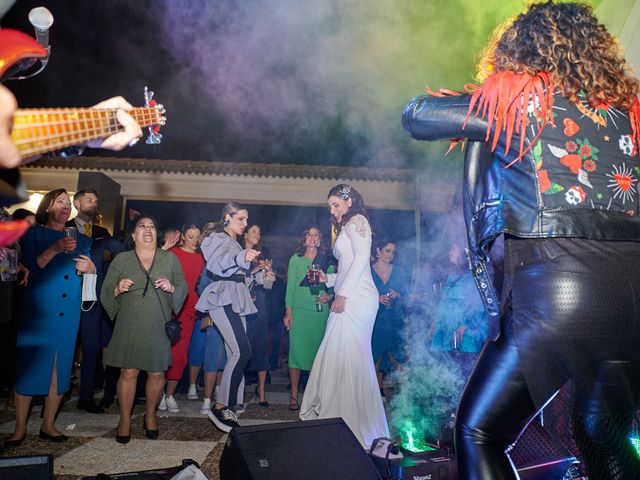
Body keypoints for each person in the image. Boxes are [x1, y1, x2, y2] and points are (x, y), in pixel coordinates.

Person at [402, 2, 640, 478]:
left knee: (479, 431)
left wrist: (490, 97)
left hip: (560, 283)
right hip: (631, 295)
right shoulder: (626, 112)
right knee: (601, 431)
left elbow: (418, 115)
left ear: (522, 47)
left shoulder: (519, 100)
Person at [300, 184, 389, 449]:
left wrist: (343, 295)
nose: (332, 210)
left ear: (349, 201)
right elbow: (351, 267)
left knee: (348, 357)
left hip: (357, 299)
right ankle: (341, 420)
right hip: (351, 293)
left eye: (336, 205)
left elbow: (362, 258)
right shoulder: (348, 225)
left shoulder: (358, 220)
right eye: (330, 206)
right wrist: (329, 279)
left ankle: (349, 424)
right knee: (341, 356)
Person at [5, 189, 96, 448]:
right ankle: (19, 428)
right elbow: (28, 271)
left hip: (69, 311)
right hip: (39, 311)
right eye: (60, 202)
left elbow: (87, 272)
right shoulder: (32, 234)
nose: (66, 206)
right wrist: (55, 248)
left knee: (61, 365)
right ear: (47, 207)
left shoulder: (82, 240)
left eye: (69, 203)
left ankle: (48, 424)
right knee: (30, 364)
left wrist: (92, 269)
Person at [100, 215, 187, 444]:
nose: (147, 230)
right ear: (133, 234)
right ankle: (125, 419)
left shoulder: (169, 259)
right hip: (129, 322)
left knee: (157, 372)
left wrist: (172, 287)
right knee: (128, 372)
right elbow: (106, 291)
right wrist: (118, 289)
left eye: (151, 226)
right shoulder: (122, 259)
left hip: (158, 323)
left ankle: (150, 415)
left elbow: (183, 287)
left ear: (157, 234)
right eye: (142, 226)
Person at [194, 202, 260, 433]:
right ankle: (220, 406)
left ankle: (226, 405)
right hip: (223, 298)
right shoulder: (218, 239)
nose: (245, 223)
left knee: (236, 352)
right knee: (242, 351)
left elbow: (236, 275)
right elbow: (217, 265)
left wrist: (254, 275)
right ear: (227, 218)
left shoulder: (233, 242)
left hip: (235, 298)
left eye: (246, 219)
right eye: (241, 218)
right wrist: (241, 258)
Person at [68, 188, 124, 414]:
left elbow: (122, 251)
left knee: (95, 349)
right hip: (70, 296)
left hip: (97, 299)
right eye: (89, 199)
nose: (94, 202)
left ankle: (89, 396)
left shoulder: (102, 232)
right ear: (77, 203)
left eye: (96, 200)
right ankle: (58, 392)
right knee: (71, 348)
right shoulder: (65, 230)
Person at [283, 226, 333, 411]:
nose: (312, 238)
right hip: (299, 312)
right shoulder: (295, 260)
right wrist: (288, 312)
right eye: (309, 235)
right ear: (304, 239)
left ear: (320, 240)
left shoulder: (326, 260)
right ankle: (294, 396)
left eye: (316, 235)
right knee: (295, 354)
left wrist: (328, 297)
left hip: (319, 313)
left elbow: (333, 285)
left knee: (317, 355)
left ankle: (315, 396)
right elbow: (290, 289)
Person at [159, 224, 204, 413]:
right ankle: (159, 394)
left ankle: (169, 395)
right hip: (168, 304)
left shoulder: (201, 258)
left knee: (180, 353)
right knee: (162, 352)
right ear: (183, 237)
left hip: (189, 306)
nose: (195, 240)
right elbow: (154, 265)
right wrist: (165, 248)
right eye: (191, 237)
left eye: (197, 237)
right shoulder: (173, 253)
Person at [187, 222, 227, 415]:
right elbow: (202, 288)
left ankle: (220, 394)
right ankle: (206, 399)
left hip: (229, 314)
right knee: (211, 355)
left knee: (225, 357)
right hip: (214, 313)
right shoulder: (210, 264)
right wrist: (214, 298)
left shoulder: (227, 259)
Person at [370, 238, 407, 397]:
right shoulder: (367, 271)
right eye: (387, 250)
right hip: (375, 319)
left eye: (393, 252)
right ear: (378, 251)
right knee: (374, 357)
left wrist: (398, 295)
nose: (391, 254)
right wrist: (375, 298)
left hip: (394, 319)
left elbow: (407, 296)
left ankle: (405, 394)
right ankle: (375, 395)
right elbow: (361, 294)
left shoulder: (399, 271)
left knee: (396, 357)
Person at [243, 224, 275, 407]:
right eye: (254, 231)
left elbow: (267, 286)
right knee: (241, 349)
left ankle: (261, 390)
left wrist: (268, 275)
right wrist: (252, 272)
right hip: (241, 306)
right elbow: (236, 281)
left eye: (259, 231)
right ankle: (236, 389)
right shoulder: (237, 254)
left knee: (261, 347)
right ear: (245, 234)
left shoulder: (260, 256)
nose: (257, 234)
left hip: (259, 306)